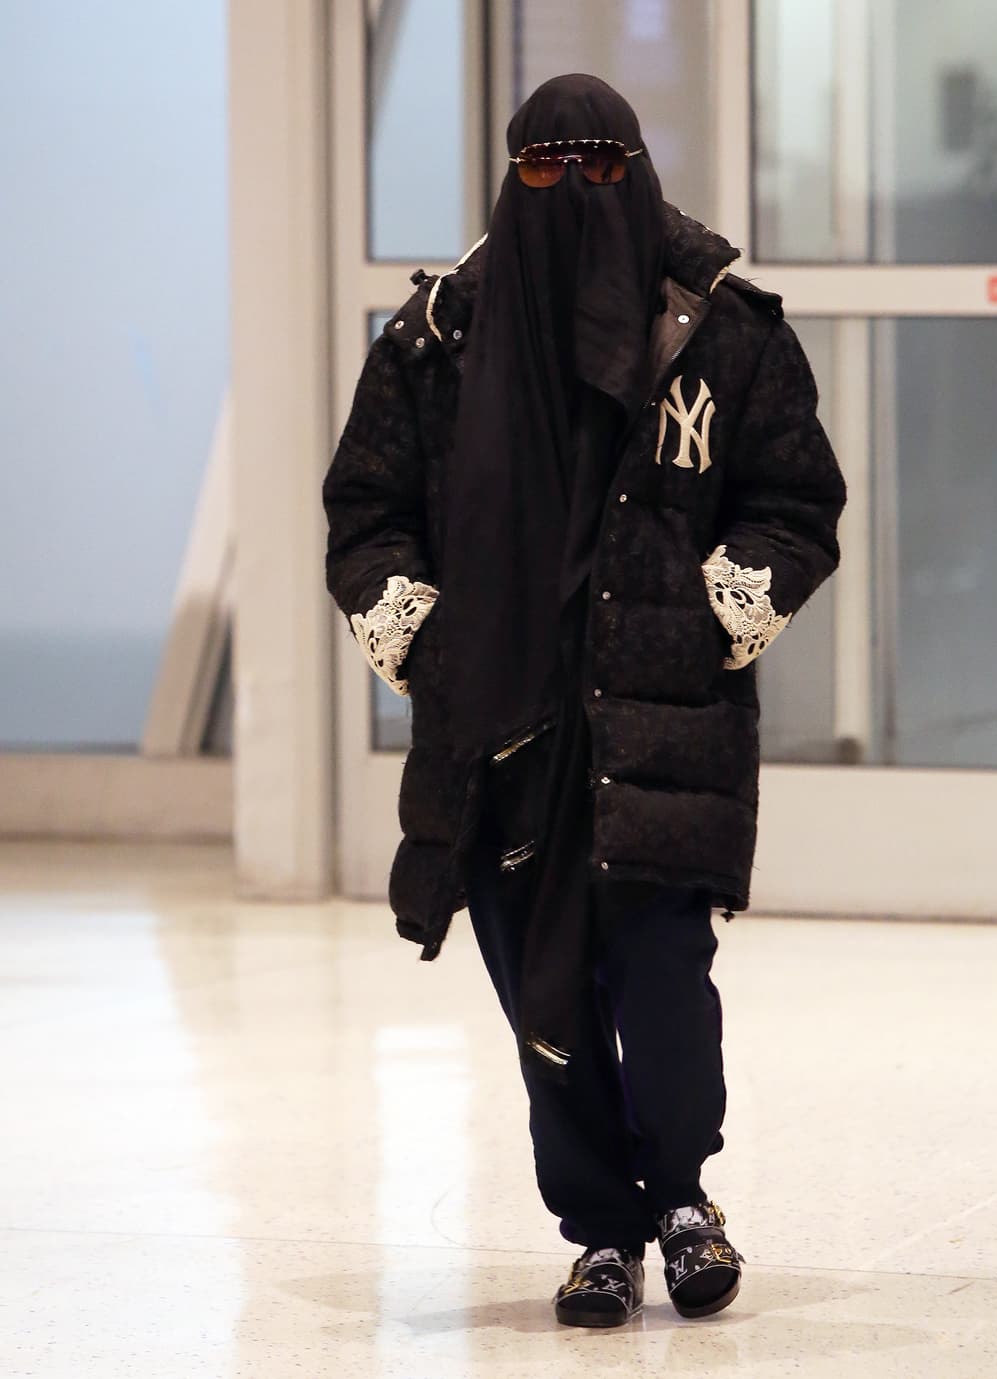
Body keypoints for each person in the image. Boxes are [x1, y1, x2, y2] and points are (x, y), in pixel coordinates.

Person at [322, 74, 845, 1328]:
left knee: (663, 971)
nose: (574, 193)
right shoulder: (435, 344)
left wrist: (719, 609)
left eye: (601, 166)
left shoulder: (718, 330)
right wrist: (417, 633)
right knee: (540, 990)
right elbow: (365, 512)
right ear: (511, 177)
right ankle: (600, 1231)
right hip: (500, 725)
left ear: (640, 170)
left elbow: (794, 499)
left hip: (660, 716)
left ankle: (682, 1198)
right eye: (545, 169)